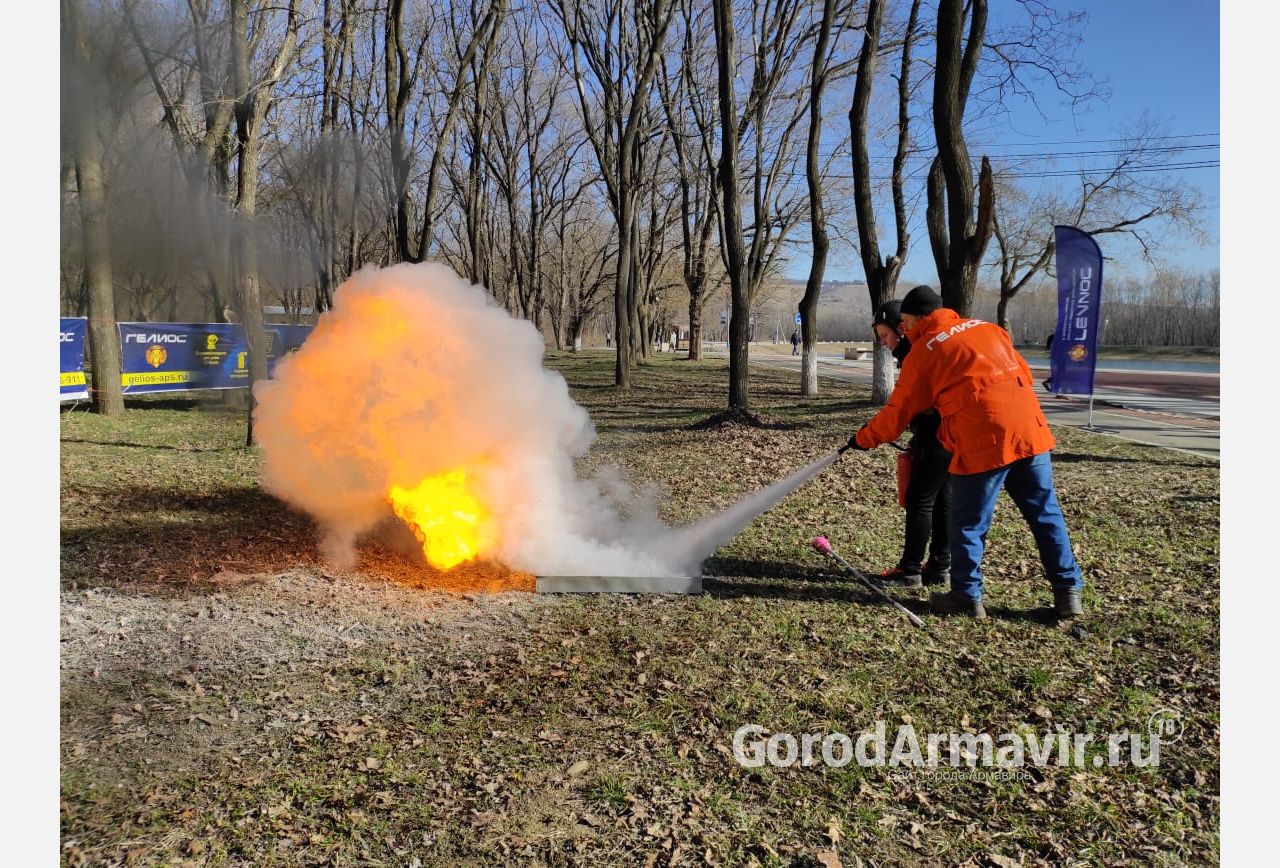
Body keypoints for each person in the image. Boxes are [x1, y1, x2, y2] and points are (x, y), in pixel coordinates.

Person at [845, 285, 1084, 619]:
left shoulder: (924, 350)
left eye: (907, 323)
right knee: (1046, 516)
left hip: (982, 442)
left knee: (968, 523)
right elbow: (1024, 374)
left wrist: (863, 439)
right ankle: (1068, 593)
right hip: (1031, 432)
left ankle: (966, 597)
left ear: (914, 319)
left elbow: (897, 413)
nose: (906, 330)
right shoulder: (989, 328)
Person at [868, 299, 952, 590]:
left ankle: (910, 571)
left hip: (937, 435)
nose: (884, 343)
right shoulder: (925, 350)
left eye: (885, 336)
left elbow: (902, 409)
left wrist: (868, 436)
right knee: (943, 500)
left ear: (902, 329)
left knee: (920, 500)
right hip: (951, 435)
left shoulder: (918, 354)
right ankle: (940, 565)